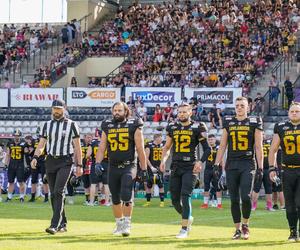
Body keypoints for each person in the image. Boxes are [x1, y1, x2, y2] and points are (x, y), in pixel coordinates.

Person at [214, 96, 263, 240]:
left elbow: (259, 147)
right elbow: (223, 145)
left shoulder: (254, 121)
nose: (240, 108)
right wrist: (217, 164)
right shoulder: (229, 122)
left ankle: (245, 224)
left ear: (248, 107)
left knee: (246, 197)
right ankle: (237, 229)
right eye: (237, 106)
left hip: (248, 163)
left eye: (242, 105)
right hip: (231, 164)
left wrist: (260, 167)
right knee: (234, 199)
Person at [95, 102, 147, 237]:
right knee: (116, 198)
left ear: (126, 111)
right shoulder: (107, 125)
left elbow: (140, 149)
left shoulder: (134, 124)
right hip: (112, 165)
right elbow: (102, 147)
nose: (117, 112)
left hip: (129, 165)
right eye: (115, 110)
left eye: (119, 110)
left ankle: (127, 224)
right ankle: (119, 224)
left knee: (126, 193)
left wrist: (144, 169)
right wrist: (97, 162)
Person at [31, 99, 83, 234]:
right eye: (55, 109)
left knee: (58, 191)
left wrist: (79, 165)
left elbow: (77, 147)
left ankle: (54, 224)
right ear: (51, 109)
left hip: (65, 161)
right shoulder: (47, 125)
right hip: (50, 161)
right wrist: (35, 157)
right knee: (54, 195)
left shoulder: (72, 124)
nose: (57, 111)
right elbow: (41, 144)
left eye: (59, 109)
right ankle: (63, 222)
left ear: (64, 109)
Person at [160, 103, 209, 239]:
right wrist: (163, 160)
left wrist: (200, 162)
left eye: (184, 112)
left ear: (190, 113)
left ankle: (184, 228)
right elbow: (167, 147)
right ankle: (188, 217)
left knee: (185, 195)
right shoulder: (172, 127)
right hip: (176, 166)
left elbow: (207, 148)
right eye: (179, 112)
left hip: (190, 166)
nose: (181, 114)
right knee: (175, 200)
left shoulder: (198, 127)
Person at [268, 102, 300, 242]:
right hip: (287, 170)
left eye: (297, 111)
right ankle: (293, 231)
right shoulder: (281, 127)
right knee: (290, 204)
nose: (294, 113)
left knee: (299, 202)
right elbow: (273, 150)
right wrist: (271, 167)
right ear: (288, 113)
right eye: (292, 111)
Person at [200, 134, 224, 209]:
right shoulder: (207, 148)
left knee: (218, 187)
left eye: (212, 139)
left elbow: (221, 159)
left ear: (215, 140)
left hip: (216, 169)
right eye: (209, 139)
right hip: (208, 169)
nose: (210, 141)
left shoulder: (218, 148)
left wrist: (222, 171)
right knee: (206, 186)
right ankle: (205, 203)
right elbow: (203, 158)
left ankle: (219, 204)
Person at [251, 136, 274, 211]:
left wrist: (274, 168)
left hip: (267, 169)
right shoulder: (255, 144)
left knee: (269, 188)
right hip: (259, 169)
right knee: (256, 188)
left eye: (263, 134)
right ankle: (253, 205)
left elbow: (273, 155)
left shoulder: (269, 143)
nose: (262, 136)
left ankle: (269, 206)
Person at [4, 129, 27, 202]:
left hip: (20, 164)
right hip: (11, 164)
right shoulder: (10, 143)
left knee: (20, 182)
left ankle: (22, 197)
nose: (16, 137)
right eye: (15, 136)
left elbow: (26, 155)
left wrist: (27, 165)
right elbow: (8, 154)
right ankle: (9, 197)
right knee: (10, 182)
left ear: (20, 136)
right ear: (13, 136)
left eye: (18, 136)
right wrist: (6, 164)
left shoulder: (23, 143)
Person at [143, 133, 165, 207]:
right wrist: (151, 167)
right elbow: (146, 157)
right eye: (160, 138)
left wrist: (163, 165)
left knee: (161, 185)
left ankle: (162, 202)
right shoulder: (149, 145)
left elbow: (164, 156)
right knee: (149, 185)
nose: (161, 140)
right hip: (151, 168)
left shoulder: (162, 145)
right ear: (156, 138)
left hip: (159, 167)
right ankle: (148, 202)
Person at [81, 134, 93, 205]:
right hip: (83, 165)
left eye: (90, 137)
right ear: (84, 138)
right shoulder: (80, 143)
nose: (89, 139)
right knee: (86, 183)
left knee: (93, 183)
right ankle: (87, 199)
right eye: (88, 137)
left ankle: (94, 199)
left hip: (91, 165)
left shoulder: (93, 144)